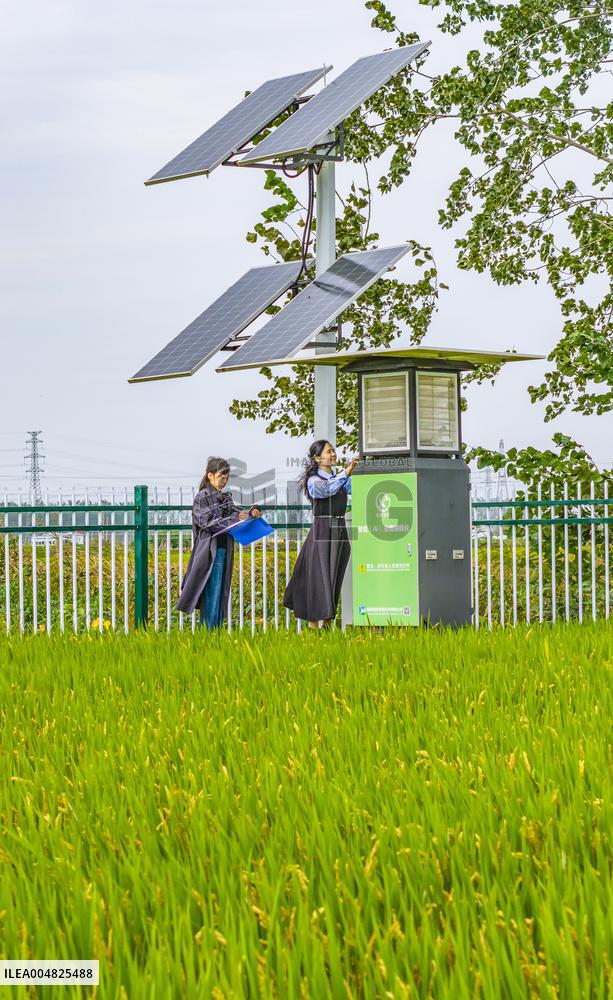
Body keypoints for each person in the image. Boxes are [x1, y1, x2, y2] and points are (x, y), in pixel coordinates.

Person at [176, 457, 260, 630]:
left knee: (221, 594)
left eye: (227, 477)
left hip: (224, 550)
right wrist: (233, 519)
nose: (225, 480)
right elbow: (208, 522)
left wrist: (251, 513)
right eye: (222, 476)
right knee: (211, 594)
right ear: (210, 475)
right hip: (210, 553)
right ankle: (207, 633)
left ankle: (215, 633)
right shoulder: (202, 498)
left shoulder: (225, 498)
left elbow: (237, 515)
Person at [284, 440, 359, 629]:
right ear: (318, 458)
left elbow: (354, 490)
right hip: (323, 529)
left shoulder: (340, 478)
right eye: (328, 452)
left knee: (334, 574)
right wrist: (348, 469)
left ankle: (327, 622)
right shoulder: (314, 481)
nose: (333, 454)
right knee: (319, 576)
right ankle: (313, 625)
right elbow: (327, 490)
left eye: (333, 451)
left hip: (339, 526)